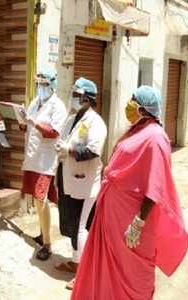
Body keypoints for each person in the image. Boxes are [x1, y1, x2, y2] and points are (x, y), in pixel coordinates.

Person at [71, 86, 188, 300]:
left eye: (133, 100)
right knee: (107, 271)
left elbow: (156, 186)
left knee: (132, 275)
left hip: (130, 222)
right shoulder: (137, 129)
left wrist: (138, 223)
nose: (129, 104)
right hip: (112, 218)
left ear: (143, 108)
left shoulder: (155, 138)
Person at [55, 77, 107, 290]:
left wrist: (68, 151)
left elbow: (93, 151)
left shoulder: (96, 123)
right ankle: (75, 262)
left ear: (87, 99)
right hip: (67, 177)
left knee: (81, 227)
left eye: (76, 95)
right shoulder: (72, 119)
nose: (73, 98)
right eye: (73, 94)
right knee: (70, 222)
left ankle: (83, 273)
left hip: (86, 183)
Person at [20, 67, 68, 261]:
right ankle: (42, 233)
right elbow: (28, 126)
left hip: (46, 159)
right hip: (33, 157)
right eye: (38, 84)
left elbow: (54, 132)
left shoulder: (58, 107)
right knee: (36, 198)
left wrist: (33, 123)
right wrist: (23, 121)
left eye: (44, 84)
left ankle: (47, 244)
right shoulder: (35, 102)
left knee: (41, 198)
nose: (41, 87)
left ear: (52, 85)